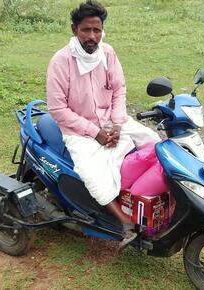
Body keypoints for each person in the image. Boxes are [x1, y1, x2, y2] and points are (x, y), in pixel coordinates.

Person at [46, 0, 160, 248]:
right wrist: (95, 132)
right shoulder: (61, 61)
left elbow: (119, 90)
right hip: (79, 130)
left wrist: (117, 124)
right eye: (86, 30)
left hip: (111, 120)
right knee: (93, 178)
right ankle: (124, 223)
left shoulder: (107, 53)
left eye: (97, 30)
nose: (92, 36)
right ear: (74, 29)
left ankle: (144, 198)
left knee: (154, 142)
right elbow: (57, 109)